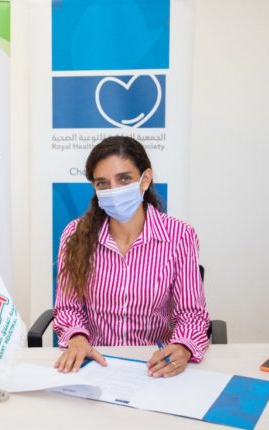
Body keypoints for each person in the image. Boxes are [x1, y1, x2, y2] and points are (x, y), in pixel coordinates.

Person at [53, 136, 209, 378]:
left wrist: (182, 347)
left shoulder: (179, 236)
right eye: (103, 183)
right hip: (96, 362)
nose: (114, 190)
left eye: (124, 179)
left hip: (155, 365)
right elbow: (68, 308)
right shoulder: (75, 234)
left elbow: (191, 313)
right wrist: (77, 338)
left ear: (145, 180)